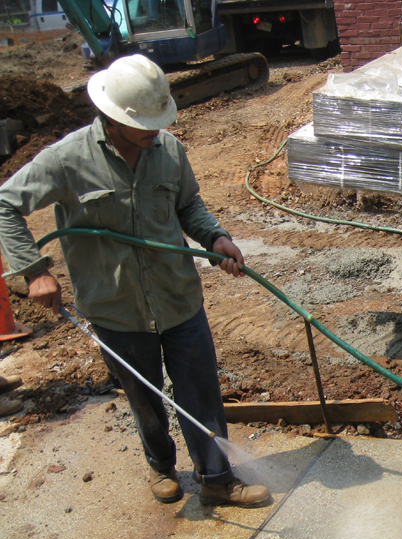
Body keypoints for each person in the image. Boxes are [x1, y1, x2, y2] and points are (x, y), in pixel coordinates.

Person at [0, 54, 270, 508]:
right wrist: (34, 272)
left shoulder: (168, 150)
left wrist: (215, 236)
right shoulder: (67, 159)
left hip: (177, 299)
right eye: (145, 122)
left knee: (201, 392)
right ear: (112, 116)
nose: (155, 131)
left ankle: (218, 479)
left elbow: (189, 205)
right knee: (144, 399)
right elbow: (5, 204)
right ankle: (161, 467)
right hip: (116, 309)